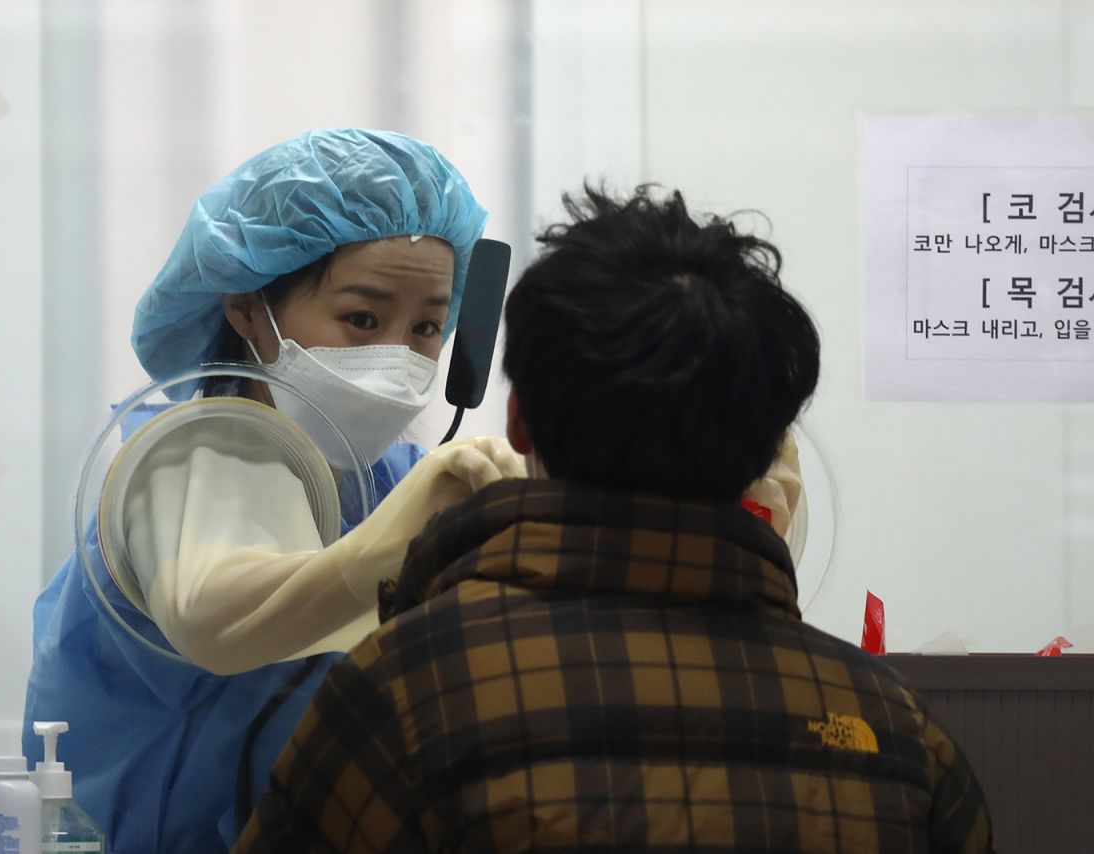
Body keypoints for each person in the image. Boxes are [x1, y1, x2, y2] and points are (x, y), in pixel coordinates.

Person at [236, 185, 996, 852]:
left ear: (520, 424)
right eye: (364, 318)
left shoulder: (406, 692)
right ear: (770, 452)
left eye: (426, 328)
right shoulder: (891, 732)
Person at [23, 129, 525, 854]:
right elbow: (220, 621)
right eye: (362, 318)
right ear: (248, 309)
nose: (399, 353)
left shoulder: (385, 481)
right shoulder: (197, 451)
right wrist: (383, 555)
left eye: (424, 326)